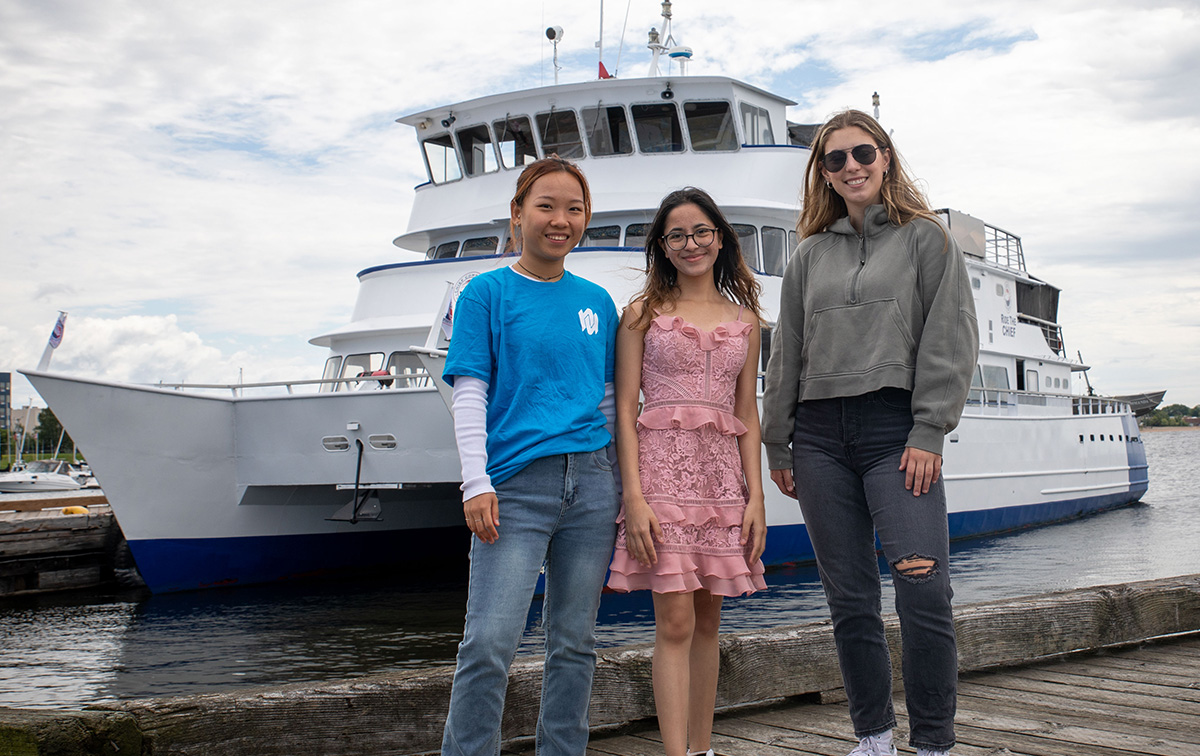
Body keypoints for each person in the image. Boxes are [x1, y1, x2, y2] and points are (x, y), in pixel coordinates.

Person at [762, 111, 979, 756]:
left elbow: (950, 337)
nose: (851, 167)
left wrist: (930, 430)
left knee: (921, 583)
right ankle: (874, 735)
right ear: (822, 173)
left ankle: (934, 741)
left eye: (863, 153)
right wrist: (779, 441)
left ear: (885, 157)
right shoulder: (809, 255)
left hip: (897, 430)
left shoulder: (926, 240)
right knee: (851, 597)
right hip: (822, 437)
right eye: (836, 160)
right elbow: (788, 354)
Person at [439, 155, 620, 756]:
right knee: (489, 641)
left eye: (574, 208)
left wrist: (623, 486)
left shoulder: (598, 301)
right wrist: (474, 481)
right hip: (515, 486)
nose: (560, 220)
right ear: (517, 214)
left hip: (593, 485)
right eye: (546, 206)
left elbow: (610, 400)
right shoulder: (485, 293)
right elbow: (470, 392)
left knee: (574, 640)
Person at [607, 187, 768, 756]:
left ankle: (703, 750)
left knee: (708, 623)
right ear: (662, 247)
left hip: (723, 484)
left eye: (701, 231)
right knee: (673, 622)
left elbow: (746, 411)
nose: (691, 243)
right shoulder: (642, 315)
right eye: (677, 235)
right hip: (660, 479)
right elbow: (626, 408)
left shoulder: (746, 321)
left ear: (719, 238)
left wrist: (756, 499)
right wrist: (635, 496)